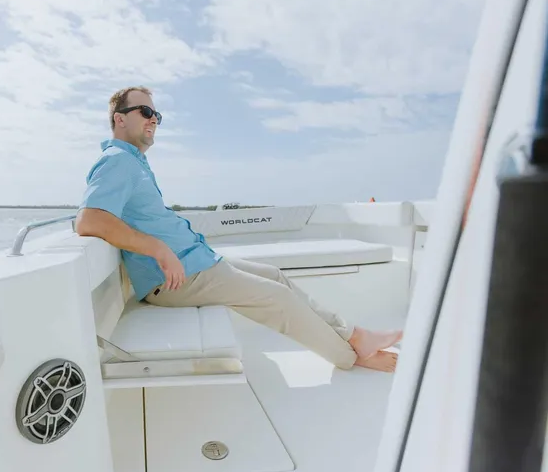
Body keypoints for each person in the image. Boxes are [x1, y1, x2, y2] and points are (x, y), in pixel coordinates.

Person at [75, 86, 402, 372]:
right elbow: (90, 220)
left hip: (196, 261)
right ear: (119, 118)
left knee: (275, 276)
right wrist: (158, 249)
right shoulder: (116, 160)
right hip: (174, 278)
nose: (153, 119)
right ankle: (349, 356)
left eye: (157, 114)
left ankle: (353, 334)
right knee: (278, 298)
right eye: (145, 111)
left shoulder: (135, 162)